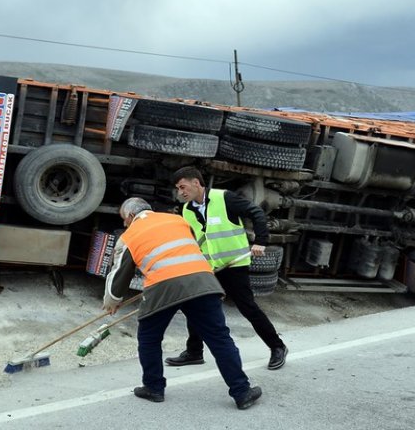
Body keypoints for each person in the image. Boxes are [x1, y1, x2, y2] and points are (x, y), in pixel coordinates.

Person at [102, 197, 262, 409]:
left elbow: (120, 274)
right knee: (220, 338)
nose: (124, 224)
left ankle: (153, 388)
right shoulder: (177, 220)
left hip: (162, 287)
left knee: (149, 338)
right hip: (202, 281)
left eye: (124, 219)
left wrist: (112, 301)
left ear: (131, 216)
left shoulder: (129, 235)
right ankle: (242, 393)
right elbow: (190, 248)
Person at [165, 166, 288, 370]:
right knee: (196, 305)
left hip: (234, 265)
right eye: (178, 189)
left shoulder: (225, 198)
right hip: (209, 268)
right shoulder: (187, 210)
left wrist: (261, 241)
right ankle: (194, 352)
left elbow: (256, 213)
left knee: (247, 308)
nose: (180, 192)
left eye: (183, 187)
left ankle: (277, 347)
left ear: (196, 182)